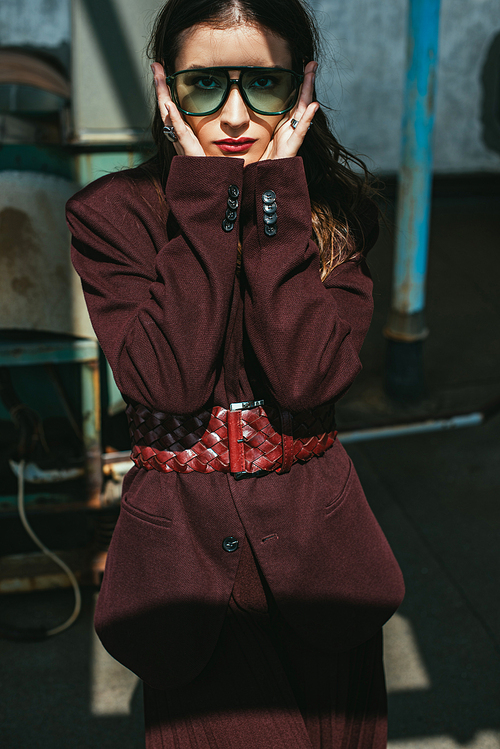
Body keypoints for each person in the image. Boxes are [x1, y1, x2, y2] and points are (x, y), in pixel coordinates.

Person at [66, 0, 405, 746]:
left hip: (321, 557)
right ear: (165, 86)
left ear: (302, 88)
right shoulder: (111, 215)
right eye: (204, 86)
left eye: (263, 84)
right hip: (186, 566)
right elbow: (167, 381)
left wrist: (275, 196)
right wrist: (206, 202)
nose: (233, 115)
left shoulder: (334, 211)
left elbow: (309, 377)